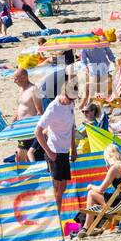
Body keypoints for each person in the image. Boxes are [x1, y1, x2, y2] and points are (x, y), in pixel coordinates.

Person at [34, 84, 77, 225]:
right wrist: (49, 152)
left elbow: (71, 126)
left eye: (73, 99)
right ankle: (55, 221)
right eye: (69, 99)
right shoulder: (53, 107)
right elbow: (38, 132)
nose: (71, 102)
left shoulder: (71, 103)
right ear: (63, 92)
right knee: (57, 189)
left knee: (63, 188)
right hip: (54, 151)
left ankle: (55, 218)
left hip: (65, 151)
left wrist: (74, 147)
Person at [12, 67, 44, 163]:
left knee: (30, 156)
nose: (14, 81)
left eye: (16, 78)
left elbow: (40, 112)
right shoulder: (21, 89)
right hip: (21, 130)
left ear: (24, 77)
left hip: (30, 130)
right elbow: (21, 107)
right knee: (19, 157)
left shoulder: (34, 90)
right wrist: (15, 118)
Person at [84, 144, 121, 212]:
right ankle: (91, 222)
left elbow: (101, 189)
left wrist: (90, 186)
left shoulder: (115, 168)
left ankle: (88, 223)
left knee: (91, 193)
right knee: (95, 200)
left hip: (120, 203)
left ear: (108, 157)